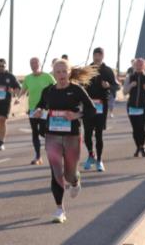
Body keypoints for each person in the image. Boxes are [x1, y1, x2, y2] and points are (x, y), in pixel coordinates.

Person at [33, 60, 97, 224]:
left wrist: (75, 115)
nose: (61, 75)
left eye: (64, 71)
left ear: (69, 73)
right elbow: (41, 105)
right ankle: (59, 209)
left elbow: (91, 109)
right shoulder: (48, 91)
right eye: (58, 72)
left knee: (69, 174)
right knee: (56, 172)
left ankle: (75, 181)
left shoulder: (76, 90)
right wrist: (39, 110)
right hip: (52, 135)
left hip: (72, 136)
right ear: (53, 73)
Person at [81, 47, 117, 172]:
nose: (97, 57)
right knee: (87, 135)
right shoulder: (86, 70)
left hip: (102, 105)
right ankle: (91, 155)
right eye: (95, 55)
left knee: (99, 134)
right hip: (88, 106)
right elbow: (79, 86)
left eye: (99, 55)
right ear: (93, 56)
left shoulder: (108, 71)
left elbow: (116, 86)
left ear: (103, 56)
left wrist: (108, 86)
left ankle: (99, 160)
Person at [19, 57, 55, 165]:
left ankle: (53, 144)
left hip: (44, 108)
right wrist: (18, 99)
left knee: (43, 131)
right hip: (32, 109)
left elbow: (56, 88)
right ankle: (38, 156)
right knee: (35, 132)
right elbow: (23, 91)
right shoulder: (28, 78)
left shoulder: (48, 77)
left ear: (40, 64)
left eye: (35, 63)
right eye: (31, 63)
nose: (33, 65)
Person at [123, 58, 145, 157]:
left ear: (144, 66)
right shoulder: (129, 77)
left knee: (141, 127)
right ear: (134, 66)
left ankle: (142, 146)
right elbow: (124, 92)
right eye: (137, 64)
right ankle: (138, 147)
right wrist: (130, 86)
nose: (139, 66)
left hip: (144, 106)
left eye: (141, 64)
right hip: (132, 106)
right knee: (135, 128)